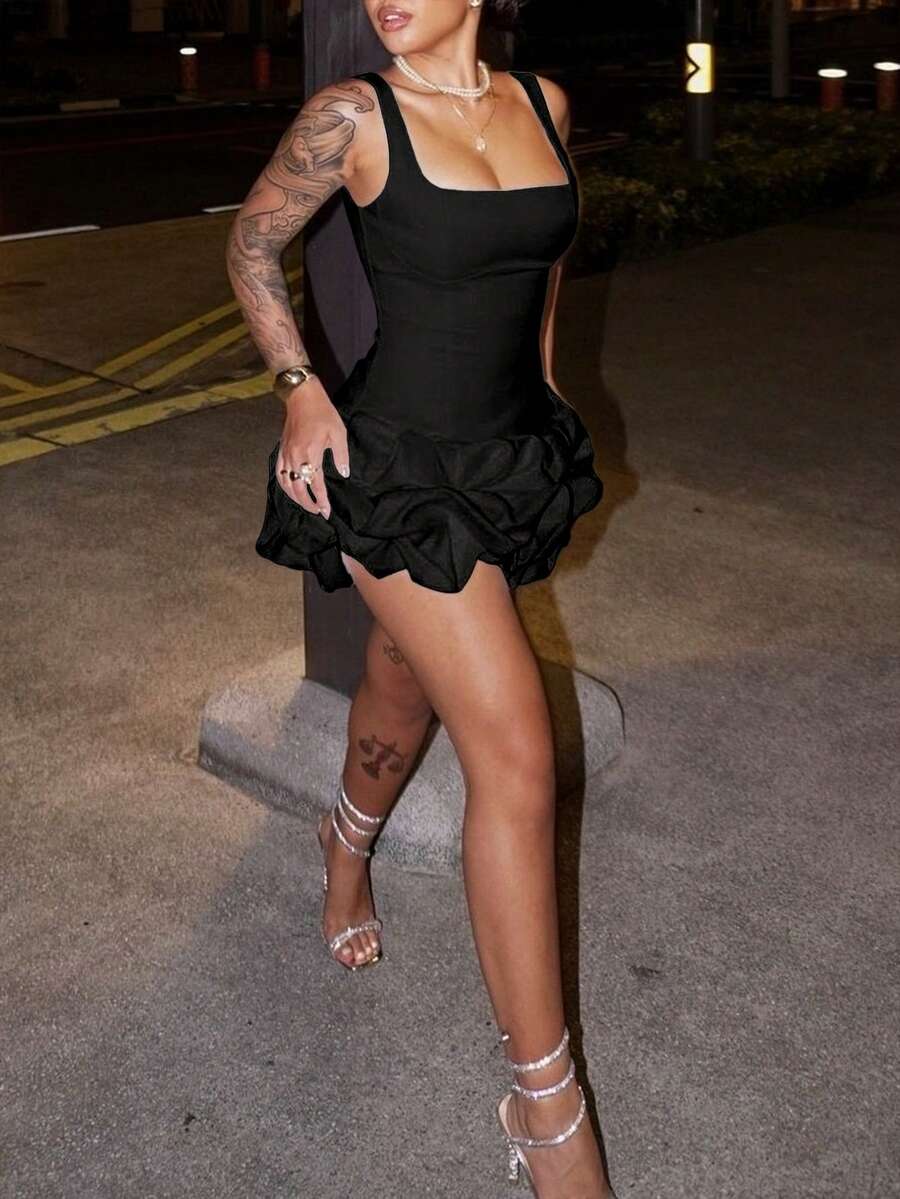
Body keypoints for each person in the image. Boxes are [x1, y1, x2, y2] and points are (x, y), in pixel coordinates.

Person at [226, 1, 613, 1195]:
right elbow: (251, 245)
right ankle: (546, 1109)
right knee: (517, 753)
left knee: (405, 681)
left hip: (508, 452)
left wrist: (545, 388)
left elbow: (541, 262)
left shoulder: (544, 106)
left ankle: (344, 843)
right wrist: (301, 386)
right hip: (394, 471)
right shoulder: (354, 116)